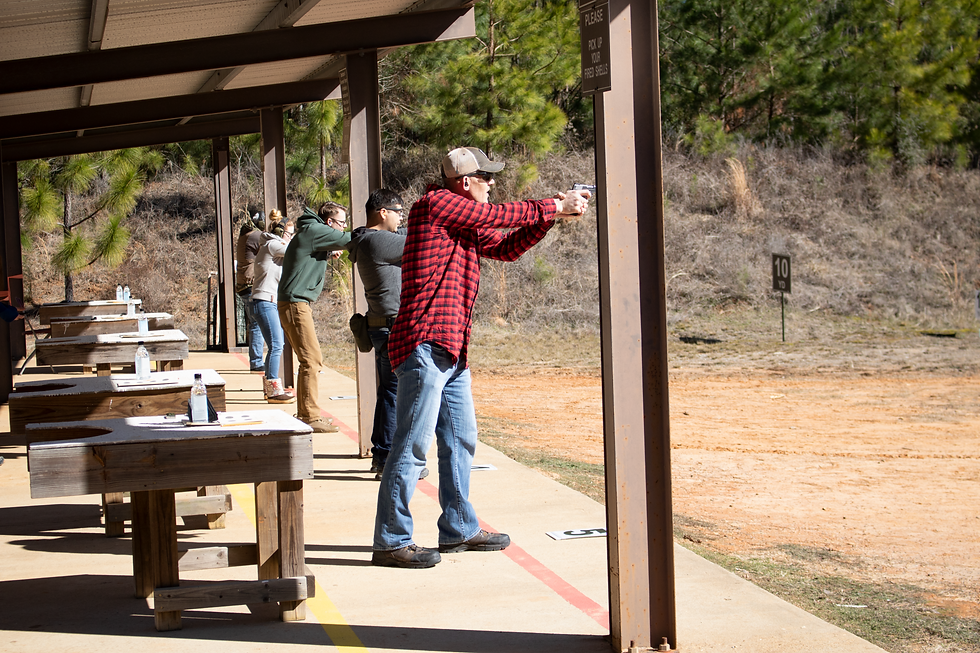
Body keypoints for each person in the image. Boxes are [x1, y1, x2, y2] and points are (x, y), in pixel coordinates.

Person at [372, 147, 590, 568]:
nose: (492, 183)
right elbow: (497, 218)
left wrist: (551, 218)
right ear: (464, 181)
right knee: (412, 447)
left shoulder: (461, 221)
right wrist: (553, 204)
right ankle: (391, 540)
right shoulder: (435, 205)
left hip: (451, 348)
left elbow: (507, 247)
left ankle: (458, 527)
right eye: (486, 177)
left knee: (460, 440)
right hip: (424, 343)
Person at [346, 188, 429, 481]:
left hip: (382, 326)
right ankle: (394, 460)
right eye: (398, 211)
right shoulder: (378, 241)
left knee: (389, 394)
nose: (401, 216)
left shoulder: (366, 239)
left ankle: (382, 457)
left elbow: (406, 232)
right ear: (383, 212)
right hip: (394, 327)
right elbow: (421, 241)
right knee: (399, 395)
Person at [278, 201, 351, 433]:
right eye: (341, 223)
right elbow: (352, 239)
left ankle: (306, 413)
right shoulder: (315, 231)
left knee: (310, 359)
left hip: (294, 302)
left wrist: (327, 252)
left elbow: (305, 261)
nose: (343, 227)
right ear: (329, 223)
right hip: (295, 303)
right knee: (312, 359)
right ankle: (309, 416)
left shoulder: (311, 231)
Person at [251, 211, 296, 403]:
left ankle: (271, 388)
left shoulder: (271, 246)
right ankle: (273, 390)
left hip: (264, 301)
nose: (291, 238)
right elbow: (295, 251)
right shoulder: (272, 245)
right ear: (281, 233)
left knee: (274, 346)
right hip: (264, 302)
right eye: (290, 234)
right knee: (277, 345)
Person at [235, 211, 267, 372]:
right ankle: (256, 361)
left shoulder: (246, 234)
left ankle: (257, 360)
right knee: (256, 323)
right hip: (250, 285)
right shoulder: (255, 236)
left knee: (255, 323)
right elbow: (274, 246)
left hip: (245, 284)